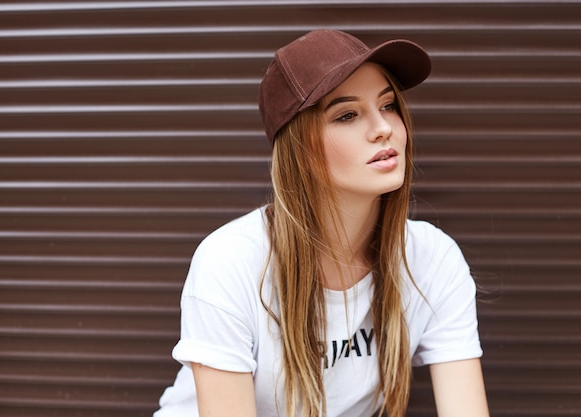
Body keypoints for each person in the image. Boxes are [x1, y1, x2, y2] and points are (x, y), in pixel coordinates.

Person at [155, 29, 489, 417]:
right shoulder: (231, 261)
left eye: (388, 105)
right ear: (301, 150)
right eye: (347, 114)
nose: (383, 127)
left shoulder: (432, 258)